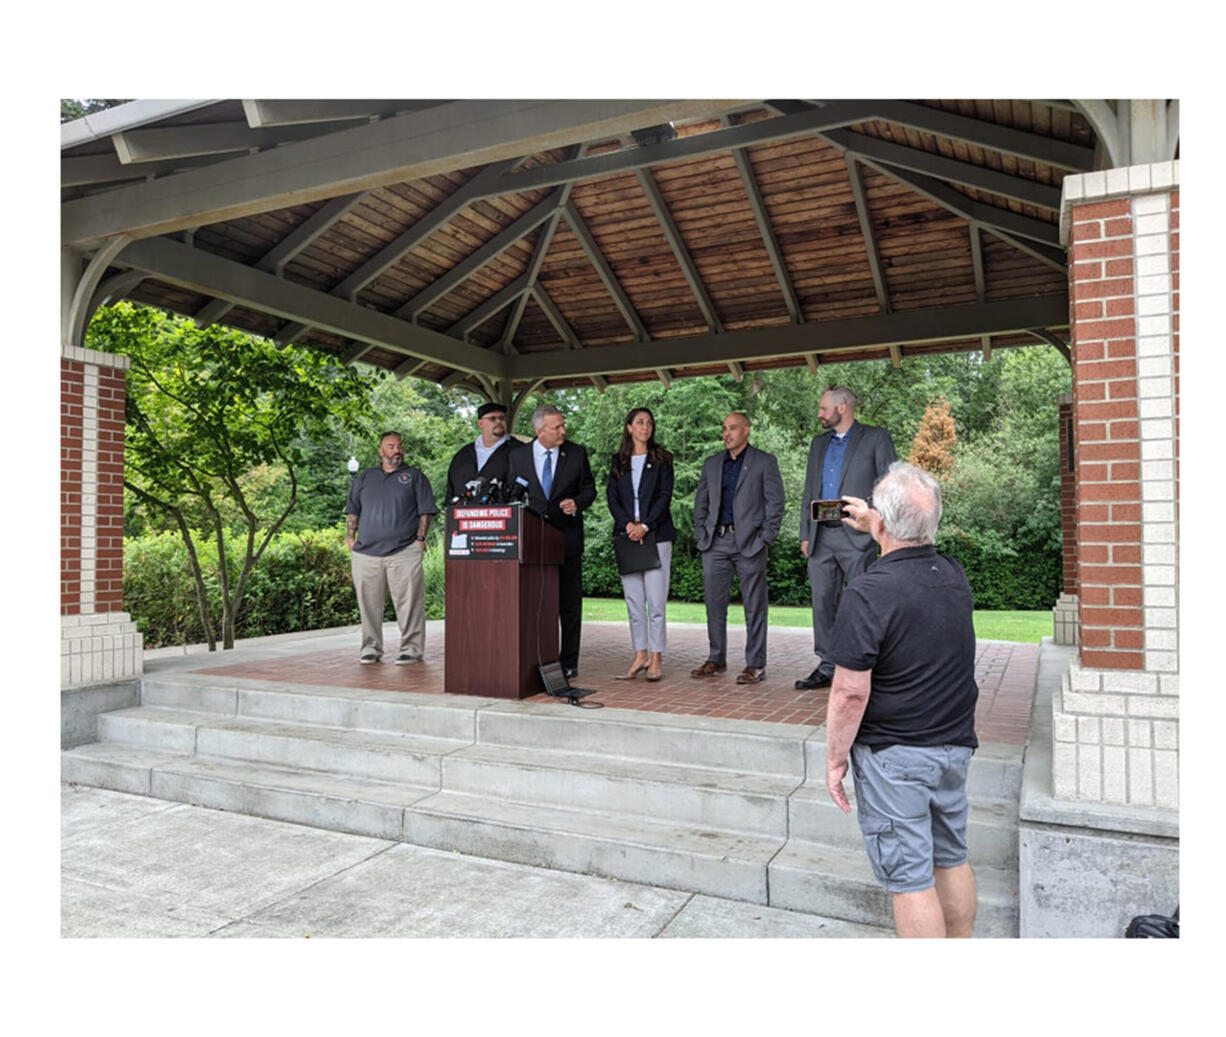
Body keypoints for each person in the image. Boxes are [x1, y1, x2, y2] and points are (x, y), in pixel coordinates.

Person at [824, 462, 980, 938]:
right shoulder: (953, 576)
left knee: (910, 879)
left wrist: (834, 761)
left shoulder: (869, 592)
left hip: (896, 758)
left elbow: (850, 691)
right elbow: (908, 537)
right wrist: (878, 519)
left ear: (884, 525)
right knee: (950, 858)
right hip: (953, 749)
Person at [795, 386, 897, 690]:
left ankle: (868, 666)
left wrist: (880, 529)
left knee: (864, 604)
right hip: (820, 537)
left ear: (843, 407)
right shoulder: (817, 444)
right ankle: (827, 666)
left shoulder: (876, 438)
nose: (820, 414)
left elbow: (890, 486)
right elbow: (809, 490)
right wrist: (804, 533)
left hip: (859, 537)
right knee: (823, 604)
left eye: (824, 408)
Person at [690, 412, 784, 685]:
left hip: (750, 544)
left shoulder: (764, 462)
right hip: (715, 543)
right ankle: (716, 658)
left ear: (746, 430)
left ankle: (755, 664)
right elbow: (701, 505)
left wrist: (765, 538)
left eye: (732, 428)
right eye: (724, 429)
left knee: (755, 606)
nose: (726, 433)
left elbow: (775, 504)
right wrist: (701, 534)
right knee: (714, 605)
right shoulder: (711, 464)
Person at [507, 404, 596, 679]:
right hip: (533, 542)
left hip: (567, 538)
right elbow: (512, 493)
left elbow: (589, 490)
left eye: (563, 425)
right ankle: (535, 659)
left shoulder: (577, 453)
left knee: (569, 606)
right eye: (556, 427)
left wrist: (577, 503)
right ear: (539, 431)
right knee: (536, 604)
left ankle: (569, 661)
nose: (562, 431)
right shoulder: (518, 456)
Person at [345, 431, 437, 664]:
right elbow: (353, 510)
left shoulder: (414, 476)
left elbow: (425, 510)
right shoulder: (365, 478)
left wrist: (420, 540)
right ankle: (370, 648)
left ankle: (412, 649)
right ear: (381, 451)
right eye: (391, 446)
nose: (397, 451)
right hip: (366, 553)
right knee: (368, 605)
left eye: (399, 446)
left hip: (404, 551)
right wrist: (350, 538)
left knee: (409, 604)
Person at [606, 407, 675, 682]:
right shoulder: (618, 462)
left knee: (656, 602)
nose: (645, 427)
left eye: (649, 423)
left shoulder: (662, 459)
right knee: (634, 601)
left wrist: (644, 525)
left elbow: (664, 496)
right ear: (629, 428)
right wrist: (628, 526)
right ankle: (640, 653)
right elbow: (612, 498)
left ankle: (657, 657)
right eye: (640, 422)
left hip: (656, 535)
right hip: (627, 537)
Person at [445, 401, 514, 502]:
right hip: (465, 516)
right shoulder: (463, 455)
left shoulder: (518, 451)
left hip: (503, 515)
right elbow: (451, 492)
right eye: (492, 418)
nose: (498, 421)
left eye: (502, 418)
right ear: (480, 423)